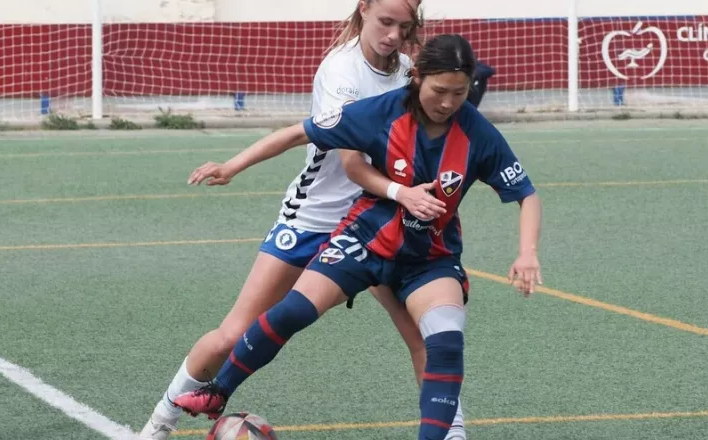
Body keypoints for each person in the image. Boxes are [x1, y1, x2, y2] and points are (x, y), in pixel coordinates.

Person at [174, 34, 543, 440]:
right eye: (439, 91)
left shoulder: (478, 133)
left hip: (429, 256)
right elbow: (298, 133)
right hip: (365, 238)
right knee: (293, 310)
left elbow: (525, 194)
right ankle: (218, 390)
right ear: (417, 78)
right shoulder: (379, 112)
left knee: (446, 338)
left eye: (459, 93)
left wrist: (527, 254)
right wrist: (233, 165)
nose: (448, 102)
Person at [139, 2, 469, 439]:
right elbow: (350, 163)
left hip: (375, 220)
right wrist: (234, 165)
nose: (392, 34)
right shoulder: (341, 72)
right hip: (315, 216)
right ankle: (160, 422)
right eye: (385, 22)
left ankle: (453, 433)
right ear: (364, 9)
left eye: (403, 27)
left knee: (424, 337)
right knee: (235, 332)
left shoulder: (409, 70)